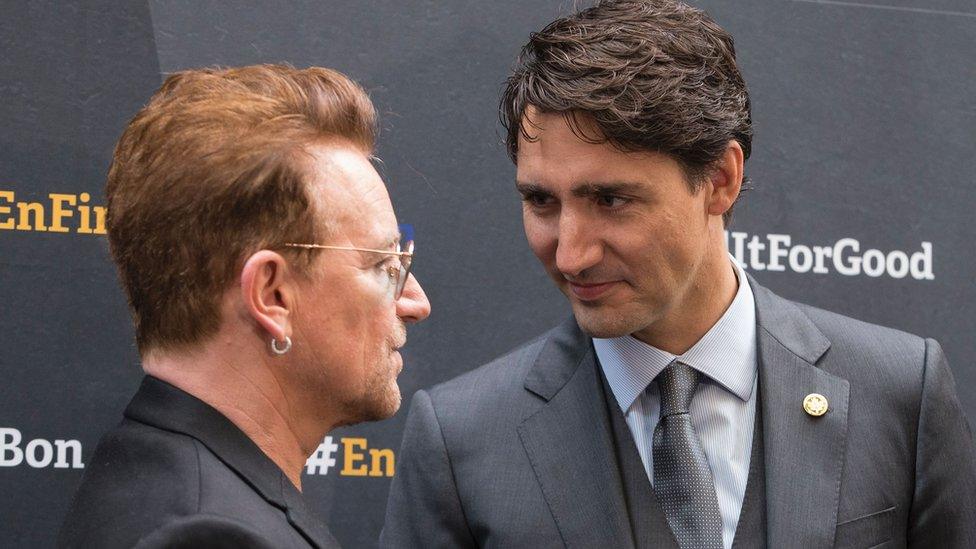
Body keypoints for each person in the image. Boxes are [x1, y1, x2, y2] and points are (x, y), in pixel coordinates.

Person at [380, 1, 976, 548]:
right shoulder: (461, 442)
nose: (570, 255)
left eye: (611, 200)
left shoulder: (900, 394)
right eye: (541, 202)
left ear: (720, 179)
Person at [58, 64, 430, 548]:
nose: (415, 301)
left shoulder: (161, 480)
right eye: (384, 265)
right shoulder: (210, 535)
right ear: (272, 295)